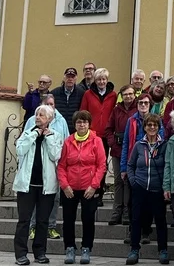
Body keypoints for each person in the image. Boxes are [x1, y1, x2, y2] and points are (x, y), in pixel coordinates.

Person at [15, 104, 64, 265]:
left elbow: (56, 155)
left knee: (43, 221)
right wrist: (34, 134)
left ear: (49, 119)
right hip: (27, 186)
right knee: (24, 221)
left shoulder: (56, 135)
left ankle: (40, 253)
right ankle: (21, 254)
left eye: (42, 115)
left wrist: (48, 137)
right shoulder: (27, 133)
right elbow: (20, 150)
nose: (38, 117)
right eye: (37, 115)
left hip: (46, 187)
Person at [59, 110, 107, 266]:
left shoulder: (97, 141)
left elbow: (101, 165)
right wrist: (65, 186)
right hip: (70, 188)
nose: (82, 125)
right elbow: (61, 166)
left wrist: (94, 186)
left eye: (85, 122)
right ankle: (70, 248)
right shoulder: (68, 141)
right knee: (68, 220)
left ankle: (86, 248)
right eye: (79, 122)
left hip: (89, 188)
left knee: (88, 219)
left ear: (89, 124)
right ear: (75, 124)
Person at [127, 114, 170, 265]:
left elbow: (167, 166)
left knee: (160, 220)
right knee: (136, 219)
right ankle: (134, 250)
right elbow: (130, 165)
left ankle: (163, 250)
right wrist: (133, 182)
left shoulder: (164, 145)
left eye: (155, 125)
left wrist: (165, 186)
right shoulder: (139, 145)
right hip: (140, 187)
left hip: (157, 190)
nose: (152, 128)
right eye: (149, 125)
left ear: (159, 127)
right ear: (144, 127)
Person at [107, 84, 139, 225]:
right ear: (121, 95)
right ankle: (116, 211)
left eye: (130, 94)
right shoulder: (116, 110)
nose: (128, 97)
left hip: (132, 150)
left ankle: (127, 211)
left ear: (134, 95)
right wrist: (113, 143)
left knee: (128, 181)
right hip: (117, 149)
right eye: (125, 94)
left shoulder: (137, 109)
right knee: (118, 181)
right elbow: (108, 129)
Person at [80, 68, 117, 155]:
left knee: (103, 159)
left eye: (104, 79)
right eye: (99, 79)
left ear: (107, 80)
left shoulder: (113, 95)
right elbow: (83, 112)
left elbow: (115, 114)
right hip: (92, 133)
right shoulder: (88, 94)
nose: (101, 82)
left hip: (107, 133)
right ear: (95, 81)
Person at [53, 68, 84, 134]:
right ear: (64, 78)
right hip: (58, 130)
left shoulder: (82, 93)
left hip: (75, 131)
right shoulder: (54, 93)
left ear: (76, 79)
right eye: (68, 77)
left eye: (72, 77)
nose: (70, 79)